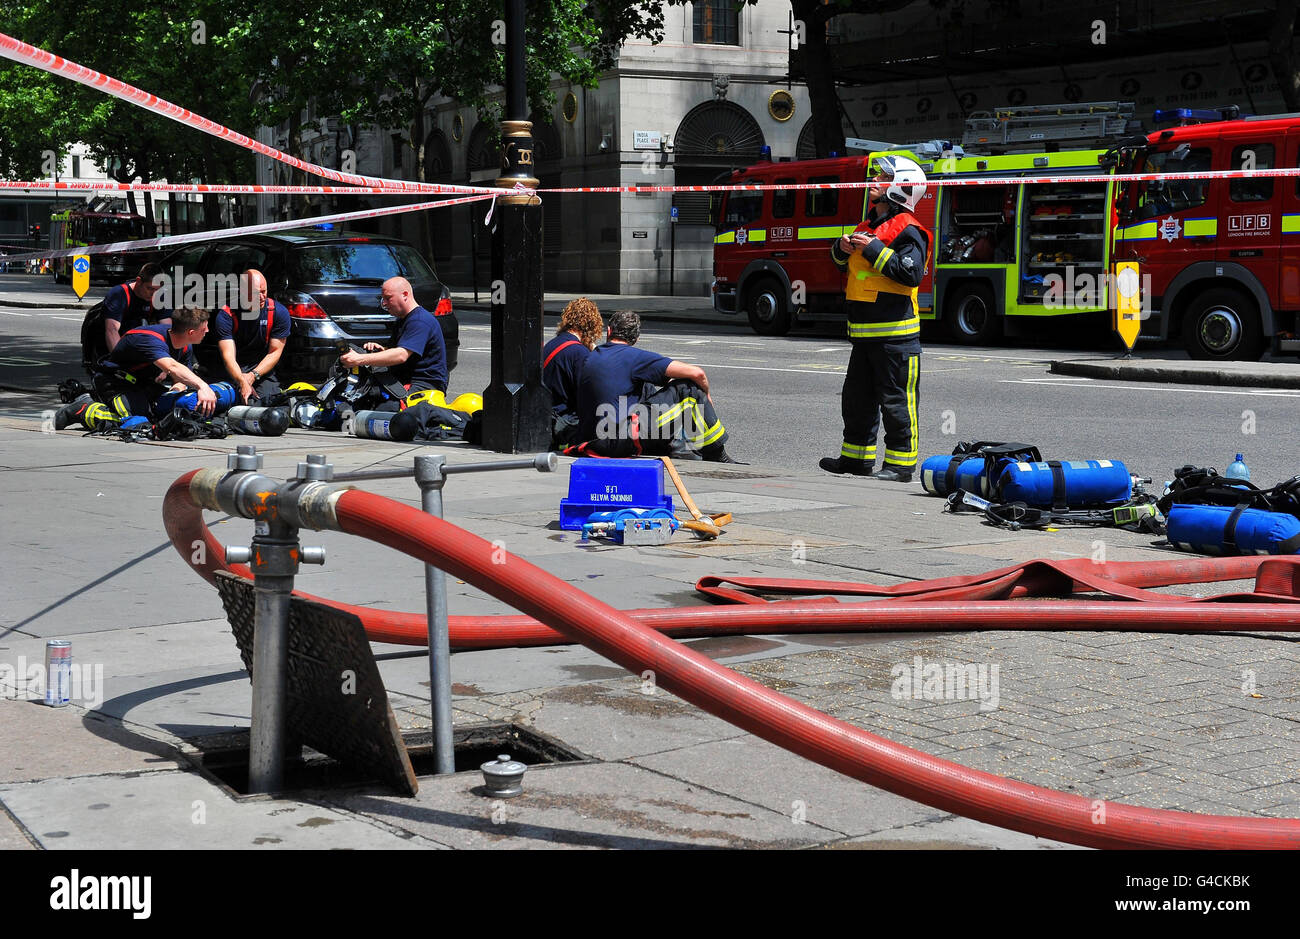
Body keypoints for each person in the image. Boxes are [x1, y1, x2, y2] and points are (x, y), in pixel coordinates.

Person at [819, 155, 931, 482]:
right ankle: (855, 460)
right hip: (864, 336)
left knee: (897, 404)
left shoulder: (910, 230)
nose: (874, 181)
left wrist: (872, 250)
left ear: (900, 188)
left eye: (882, 178)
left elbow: (910, 274)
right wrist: (841, 248)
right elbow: (844, 266)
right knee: (857, 403)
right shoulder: (868, 225)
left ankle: (899, 466)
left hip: (896, 338)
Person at [575, 310, 736, 462]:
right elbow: (698, 374)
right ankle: (717, 454)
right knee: (688, 389)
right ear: (636, 339)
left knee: (646, 388)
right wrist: (706, 395)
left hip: (592, 439)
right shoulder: (634, 357)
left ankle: (675, 444)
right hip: (618, 441)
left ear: (609, 331)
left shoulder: (591, 357)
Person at [87, 306, 217, 419]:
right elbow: (172, 367)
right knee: (137, 420)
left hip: (143, 384)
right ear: (191, 332)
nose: (207, 331)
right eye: (204, 329)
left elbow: (181, 377)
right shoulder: (148, 339)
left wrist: (176, 390)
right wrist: (203, 386)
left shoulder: (185, 344)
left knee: (168, 413)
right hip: (114, 382)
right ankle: (81, 409)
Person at [339, 275, 447, 394]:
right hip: (403, 377)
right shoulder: (403, 319)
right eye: (383, 299)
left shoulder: (420, 321)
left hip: (424, 384)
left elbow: (401, 355)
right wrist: (382, 350)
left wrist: (359, 359)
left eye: (388, 298)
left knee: (382, 404)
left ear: (405, 295)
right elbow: (398, 350)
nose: (384, 303)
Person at [213, 269, 290, 403]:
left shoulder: (278, 312)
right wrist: (242, 381)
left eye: (264, 291)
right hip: (234, 366)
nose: (261, 297)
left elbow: (275, 352)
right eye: (255, 293)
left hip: (261, 367)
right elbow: (228, 357)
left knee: (267, 402)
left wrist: (253, 375)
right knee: (231, 400)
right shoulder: (227, 314)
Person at [543, 297, 604, 448]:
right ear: (592, 325)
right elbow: (588, 396)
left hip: (547, 415)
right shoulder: (579, 353)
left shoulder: (553, 344)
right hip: (565, 421)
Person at [102, 262, 170, 352]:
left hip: (140, 341)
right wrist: (119, 360)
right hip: (116, 342)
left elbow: (168, 328)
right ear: (138, 281)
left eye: (157, 290)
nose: (153, 293)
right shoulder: (119, 294)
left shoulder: (160, 297)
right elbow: (112, 330)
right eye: (149, 288)